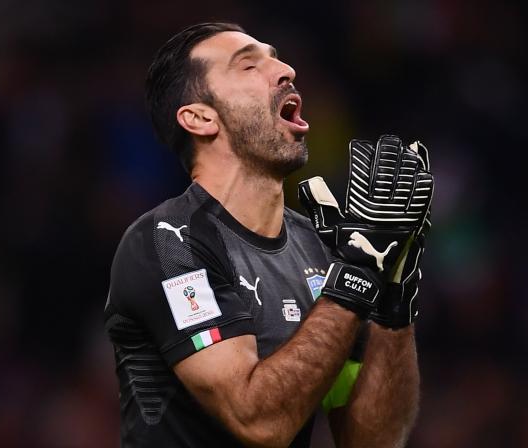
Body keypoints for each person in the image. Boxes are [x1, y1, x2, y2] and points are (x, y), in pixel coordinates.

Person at [104, 22, 432, 447]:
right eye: (248, 66)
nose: (286, 70)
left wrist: (392, 309)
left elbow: (372, 440)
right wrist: (354, 277)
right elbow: (257, 422)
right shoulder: (167, 242)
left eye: (276, 57)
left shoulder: (322, 249)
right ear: (201, 117)